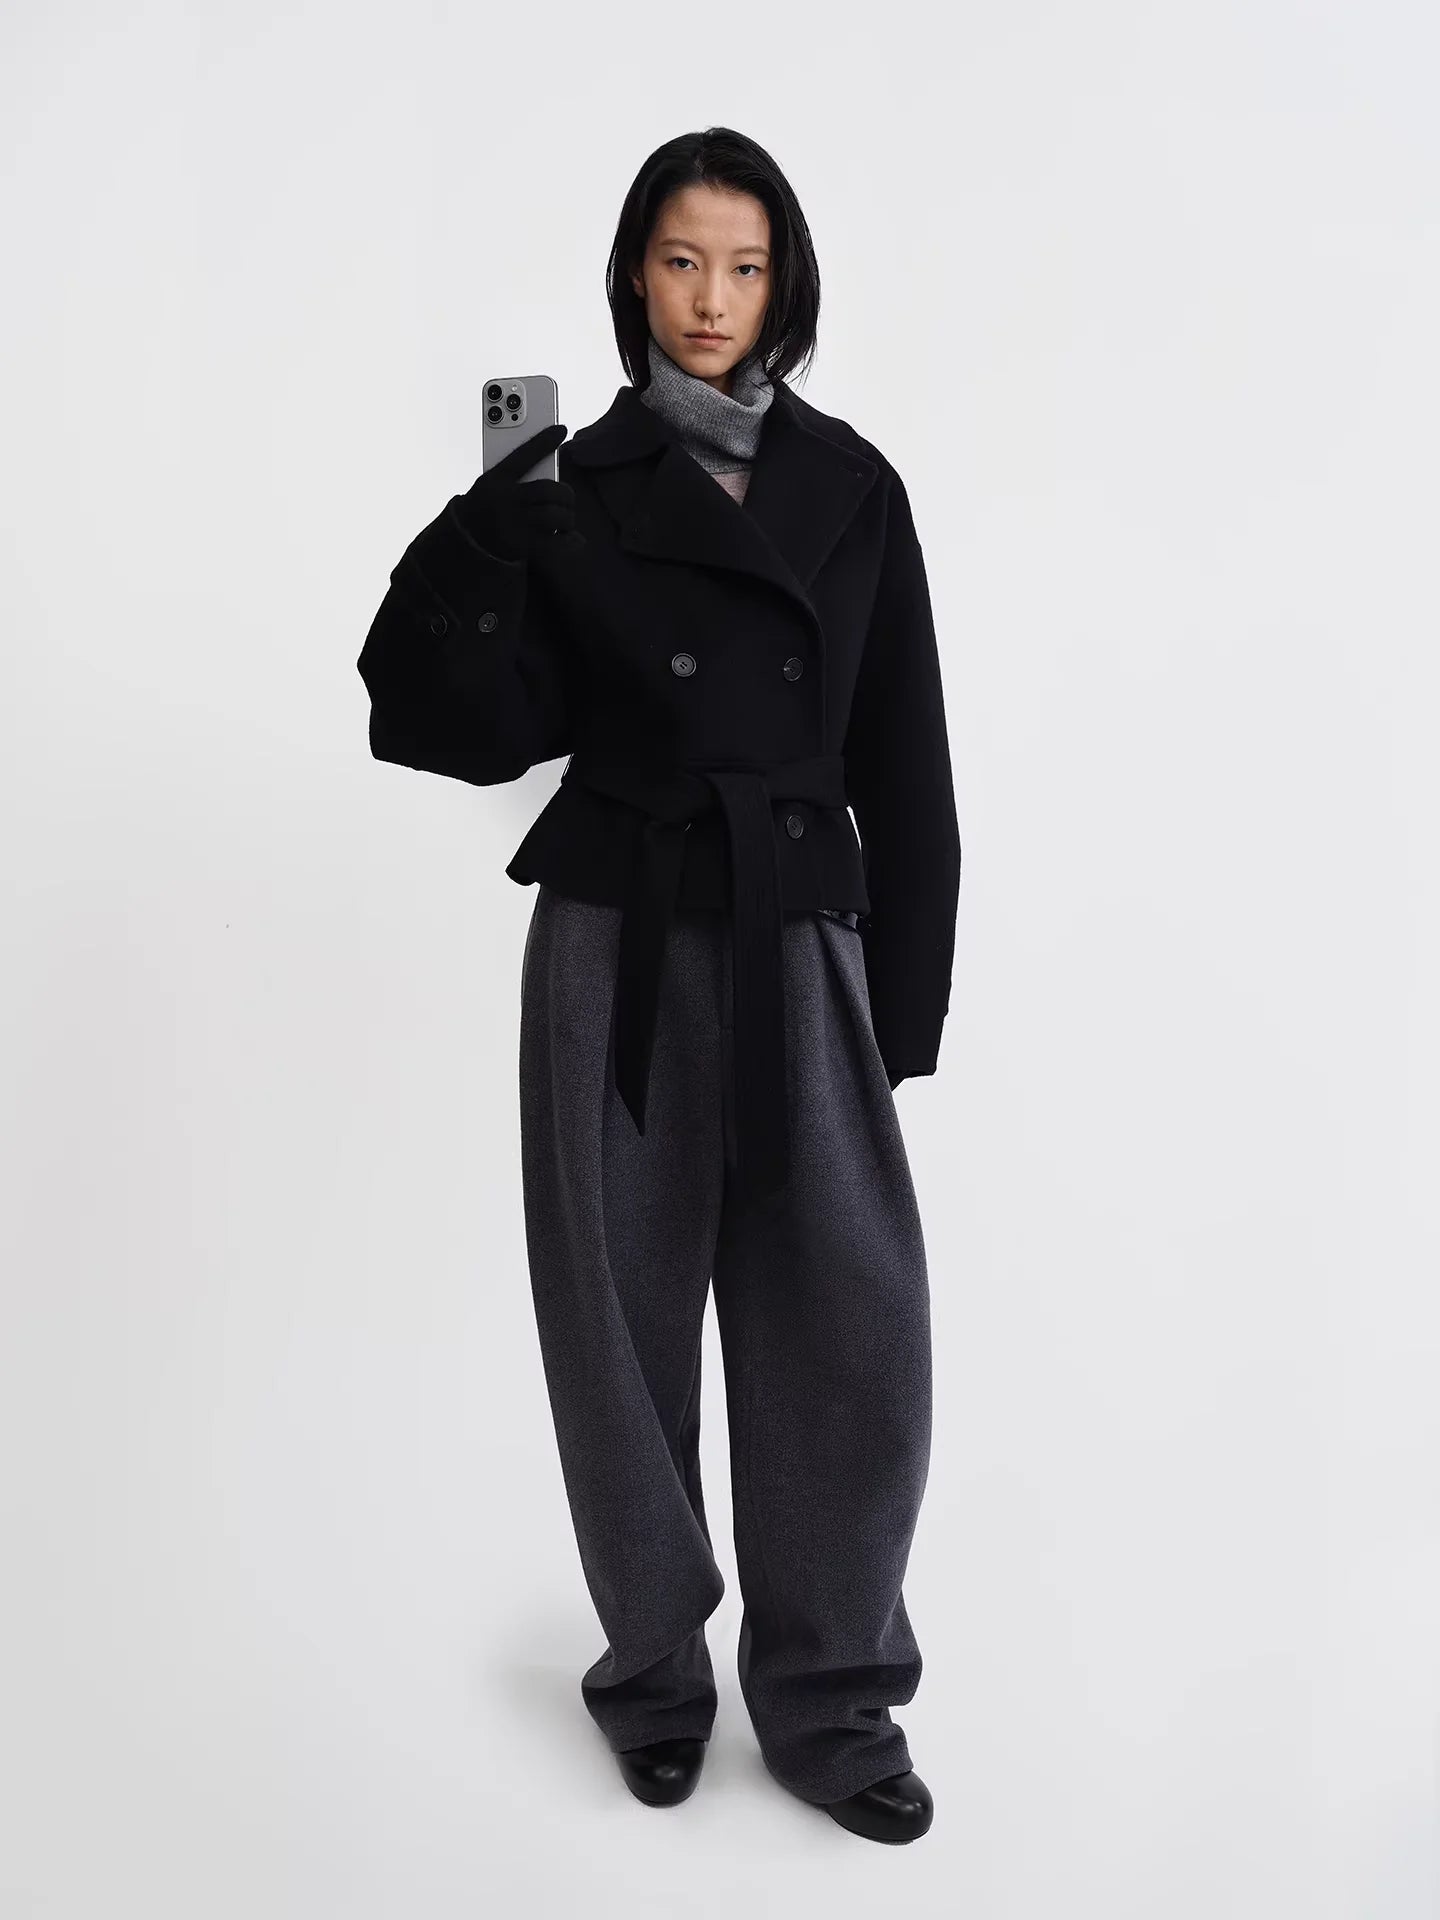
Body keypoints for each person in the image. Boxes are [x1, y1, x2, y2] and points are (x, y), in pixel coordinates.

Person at [356, 126, 961, 1846]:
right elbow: (452, 732)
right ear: (637, 271)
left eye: (745, 266)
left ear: (788, 281)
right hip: (617, 936)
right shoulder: (573, 487)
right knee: (617, 1324)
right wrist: (488, 534)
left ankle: (834, 1699)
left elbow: (905, 756)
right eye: (684, 261)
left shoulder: (854, 486)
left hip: (804, 933)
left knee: (852, 1321)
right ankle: (653, 1675)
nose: (712, 299)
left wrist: (903, 1008)